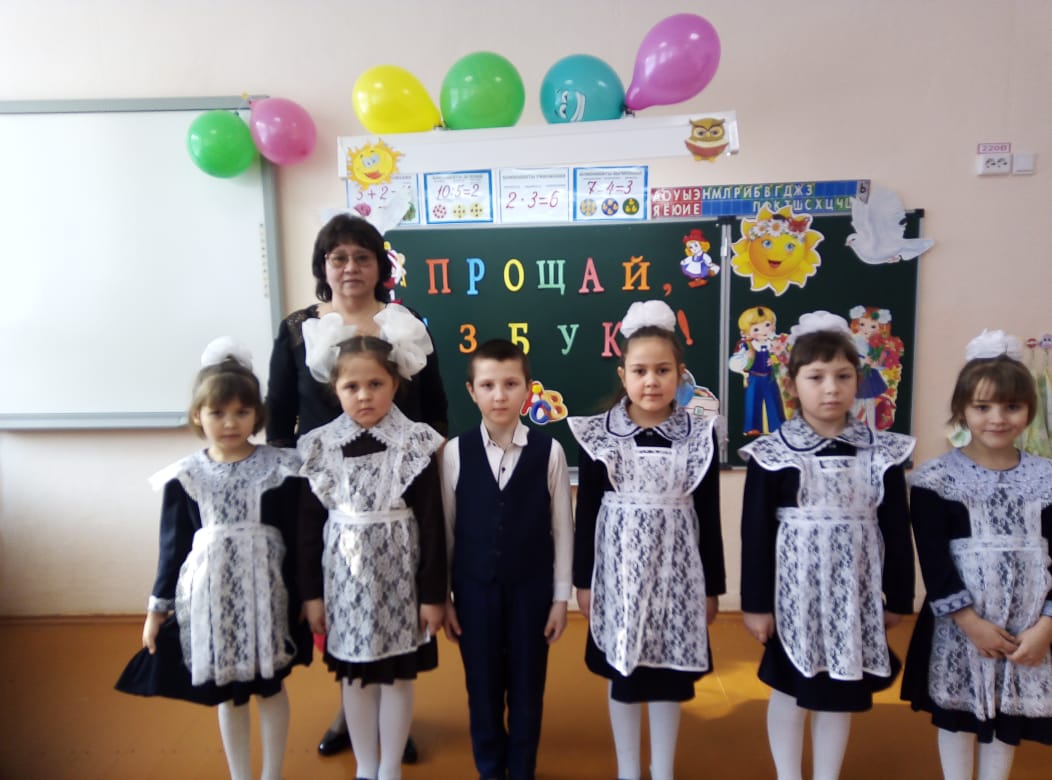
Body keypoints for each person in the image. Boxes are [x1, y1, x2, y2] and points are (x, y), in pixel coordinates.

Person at [266, 212, 447, 760]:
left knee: (391, 599)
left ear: (379, 266)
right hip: (326, 485)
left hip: (394, 484)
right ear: (323, 266)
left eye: (362, 257)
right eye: (338, 257)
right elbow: (280, 415)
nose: (350, 267)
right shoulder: (298, 329)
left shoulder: (405, 322)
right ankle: (350, 712)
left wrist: (425, 467)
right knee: (339, 602)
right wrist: (291, 484)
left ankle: (390, 726)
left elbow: (434, 406)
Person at [115, 339, 311, 780]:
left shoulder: (282, 470)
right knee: (229, 694)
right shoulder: (185, 477)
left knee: (270, 686)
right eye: (218, 412)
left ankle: (272, 774)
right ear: (197, 416)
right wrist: (156, 611)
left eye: (242, 411)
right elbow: (172, 548)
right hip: (212, 599)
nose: (230, 422)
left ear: (257, 415)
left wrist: (305, 595)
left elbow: (298, 540)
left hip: (268, 597)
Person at [739, 311, 915, 780]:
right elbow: (755, 535)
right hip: (793, 598)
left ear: (858, 380)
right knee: (790, 689)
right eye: (816, 377)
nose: (831, 388)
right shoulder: (773, 453)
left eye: (843, 376)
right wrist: (756, 605)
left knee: (840, 689)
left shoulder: (881, 452)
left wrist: (897, 598)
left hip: (853, 597)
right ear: (793, 385)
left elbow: (896, 529)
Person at [568, 299, 724, 780]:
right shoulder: (600, 436)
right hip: (619, 578)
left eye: (662, 370)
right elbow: (586, 514)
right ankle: (628, 769)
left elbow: (709, 515)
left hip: (677, 576)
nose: (651, 381)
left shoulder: (698, 436)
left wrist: (712, 588)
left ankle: (662, 769)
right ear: (623, 375)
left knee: (667, 678)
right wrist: (584, 581)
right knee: (624, 672)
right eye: (640, 371)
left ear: (680, 374)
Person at [297, 306, 446, 780]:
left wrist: (432, 595)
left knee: (397, 677)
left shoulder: (415, 444)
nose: (364, 395)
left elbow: (432, 524)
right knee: (356, 677)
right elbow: (308, 529)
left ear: (395, 384)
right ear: (335, 389)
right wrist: (311, 595)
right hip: (345, 587)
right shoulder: (320, 447)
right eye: (352, 386)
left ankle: (390, 766)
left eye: (376, 384)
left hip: (401, 583)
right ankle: (365, 766)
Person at [901, 329, 1052, 780]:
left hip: (1030, 628)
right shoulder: (935, 480)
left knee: (1008, 717)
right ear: (962, 409)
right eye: (983, 407)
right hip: (961, 626)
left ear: (1029, 409)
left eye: (1011, 406)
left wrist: (1046, 626)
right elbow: (934, 562)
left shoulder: (1047, 479)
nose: (997, 419)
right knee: (959, 717)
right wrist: (971, 623)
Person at [440, 339, 574, 780]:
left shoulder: (549, 452)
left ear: (528, 389)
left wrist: (560, 599)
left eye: (511, 384)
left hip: (531, 593)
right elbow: (448, 530)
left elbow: (563, 530)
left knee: (527, 688)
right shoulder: (455, 453)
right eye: (488, 385)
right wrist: (445, 597)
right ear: (471, 391)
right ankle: (490, 768)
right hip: (474, 593)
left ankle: (522, 768)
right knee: (481, 687)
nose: (499, 395)